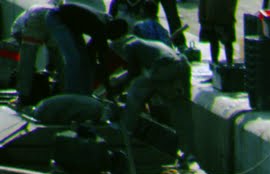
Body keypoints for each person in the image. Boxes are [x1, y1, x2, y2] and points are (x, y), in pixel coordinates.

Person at [108, 31, 195, 164]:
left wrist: (116, 85)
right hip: (182, 64)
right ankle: (188, 152)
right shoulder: (147, 43)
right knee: (181, 111)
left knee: (134, 94)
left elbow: (133, 73)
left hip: (164, 66)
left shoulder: (129, 46)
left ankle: (125, 133)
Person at [44, 1, 117, 96]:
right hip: (57, 18)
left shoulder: (104, 25)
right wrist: (109, 88)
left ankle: (85, 93)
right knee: (74, 59)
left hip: (72, 24)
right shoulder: (101, 28)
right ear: (112, 30)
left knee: (84, 60)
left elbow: (91, 57)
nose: (111, 39)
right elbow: (102, 62)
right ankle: (70, 93)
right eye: (114, 36)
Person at [11, 3, 60, 109]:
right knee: (59, 59)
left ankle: (23, 97)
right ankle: (61, 92)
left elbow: (26, 54)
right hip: (55, 16)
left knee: (26, 60)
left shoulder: (16, 28)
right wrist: (49, 68)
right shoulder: (26, 14)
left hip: (37, 16)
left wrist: (29, 71)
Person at [198, 0, 237, 65]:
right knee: (216, 42)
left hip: (220, 17)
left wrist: (202, 17)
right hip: (216, 17)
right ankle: (224, 62)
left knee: (221, 42)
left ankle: (225, 63)